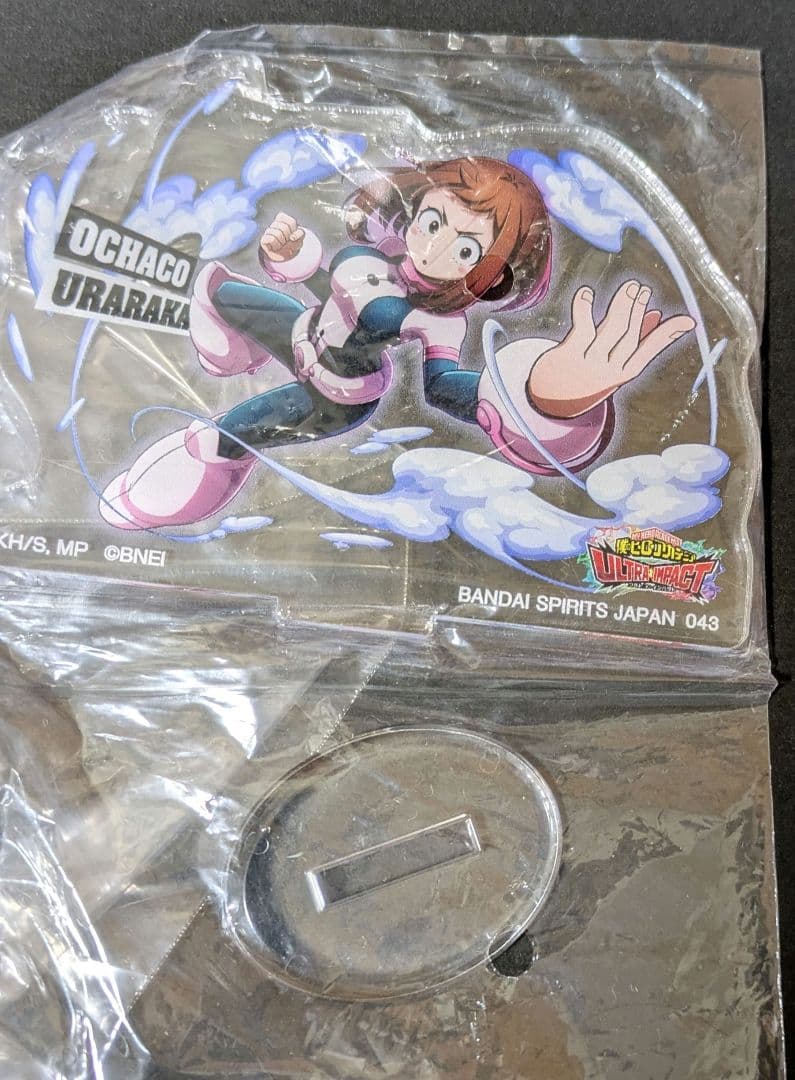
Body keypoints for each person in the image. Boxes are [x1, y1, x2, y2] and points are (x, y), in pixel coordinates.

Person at [99, 156, 694, 530]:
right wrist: (295, 260)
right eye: (433, 223)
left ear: (489, 273)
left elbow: (444, 387)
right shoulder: (374, 256)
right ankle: (232, 355)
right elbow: (336, 289)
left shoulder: (440, 322)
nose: (435, 249)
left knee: (225, 435)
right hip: (304, 331)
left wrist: (538, 398)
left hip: (334, 396)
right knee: (219, 291)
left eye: (466, 249)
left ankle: (143, 505)